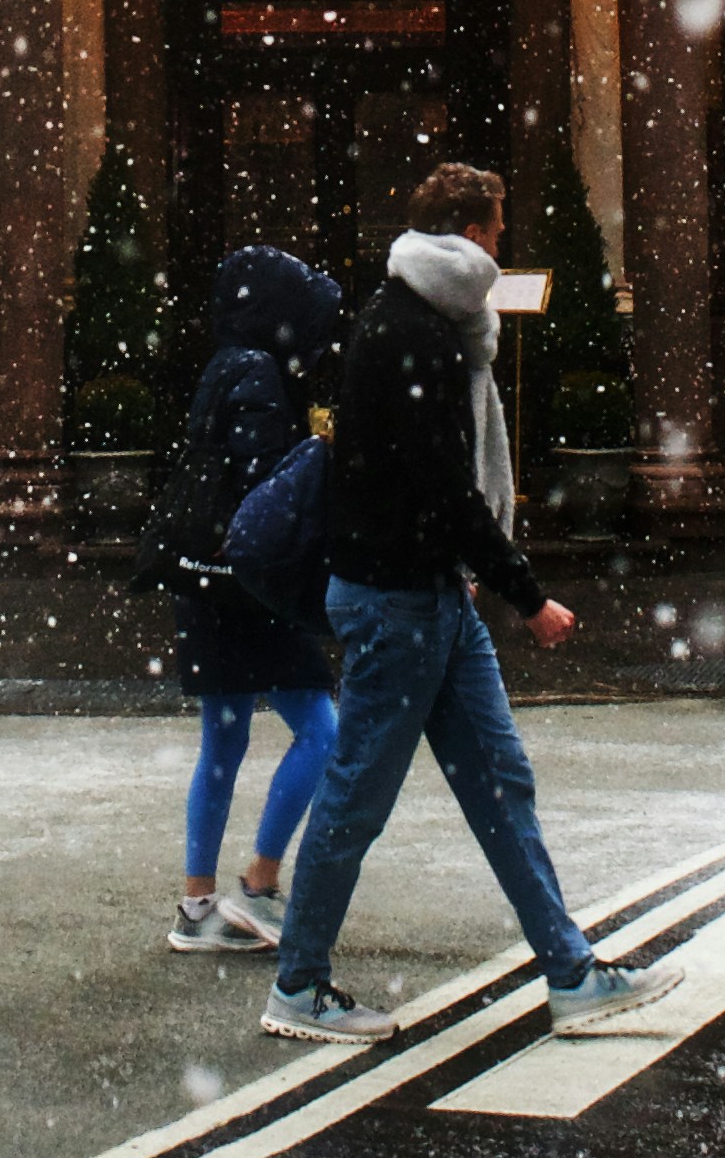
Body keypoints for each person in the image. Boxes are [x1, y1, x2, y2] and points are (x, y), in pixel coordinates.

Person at [262, 161, 678, 1047]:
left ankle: (571, 974)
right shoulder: (416, 332)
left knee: (499, 784)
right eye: (496, 227)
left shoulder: (423, 321)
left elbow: (422, 480)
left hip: (427, 594)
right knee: (360, 796)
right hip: (400, 600)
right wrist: (527, 594)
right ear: (470, 234)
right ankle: (297, 985)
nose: (502, 242)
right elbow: (444, 485)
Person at [158, 248, 344, 954]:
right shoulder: (261, 375)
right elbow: (264, 496)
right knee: (322, 734)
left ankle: (197, 906)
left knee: (223, 744)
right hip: (247, 588)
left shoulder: (223, 365)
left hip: (204, 580)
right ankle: (258, 885)